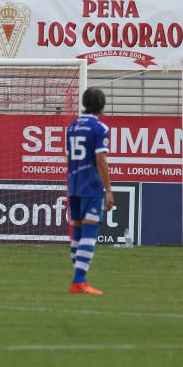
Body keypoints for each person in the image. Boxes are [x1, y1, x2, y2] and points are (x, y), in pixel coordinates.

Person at [65, 87, 113, 295]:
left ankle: (79, 279)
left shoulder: (72, 126)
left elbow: (68, 158)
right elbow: (101, 160)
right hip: (91, 185)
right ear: (102, 105)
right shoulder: (100, 128)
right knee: (90, 232)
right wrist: (108, 190)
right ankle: (79, 281)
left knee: (77, 229)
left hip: (74, 183)